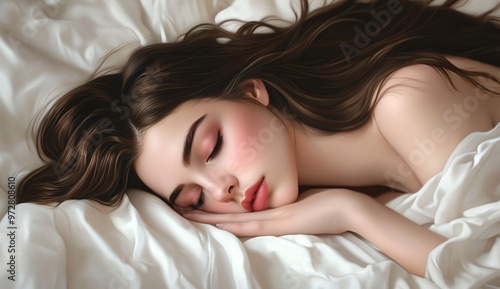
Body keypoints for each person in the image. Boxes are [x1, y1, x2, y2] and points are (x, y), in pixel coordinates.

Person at [17, 0, 500, 278]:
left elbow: (478, 270)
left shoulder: (407, 98)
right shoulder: (322, 188)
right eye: (192, 196)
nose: (221, 189)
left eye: (211, 147)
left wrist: (352, 212)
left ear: (252, 92)